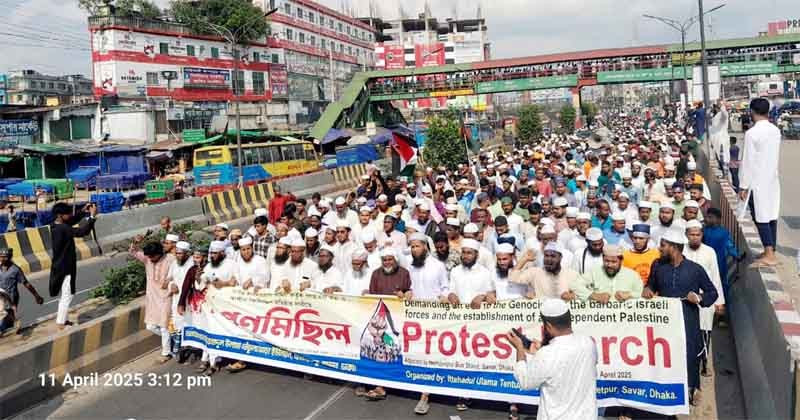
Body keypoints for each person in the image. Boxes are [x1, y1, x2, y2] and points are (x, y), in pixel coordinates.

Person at [643, 228, 718, 405]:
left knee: (690, 354)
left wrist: (699, 298)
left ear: (674, 247)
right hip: (664, 320)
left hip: (688, 320)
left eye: (663, 245)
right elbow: (650, 286)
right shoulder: (657, 265)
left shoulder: (695, 270)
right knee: (665, 353)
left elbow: (712, 293)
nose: (659, 249)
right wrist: (647, 290)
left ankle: (694, 387)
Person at [507, 298, 597, 419]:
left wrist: (520, 349)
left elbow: (525, 382)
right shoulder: (588, 343)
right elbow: (565, 358)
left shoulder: (546, 354)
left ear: (548, 326)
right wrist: (541, 350)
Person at [739, 97, 782, 268]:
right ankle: (771, 250)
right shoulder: (775, 130)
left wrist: (743, 185)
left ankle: (769, 254)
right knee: (771, 214)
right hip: (771, 178)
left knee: (761, 217)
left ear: (752, 112)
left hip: (757, 181)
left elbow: (748, 161)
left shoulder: (752, 133)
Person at [50, 202, 97, 330]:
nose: (70, 215)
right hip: (66, 266)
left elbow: (71, 220)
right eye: (67, 213)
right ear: (60, 215)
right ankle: (61, 323)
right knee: (68, 293)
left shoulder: (55, 225)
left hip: (59, 265)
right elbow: (83, 231)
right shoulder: (63, 229)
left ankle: (62, 320)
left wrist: (82, 211)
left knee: (65, 293)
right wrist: (92, 217)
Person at [130, 240, 176, 363]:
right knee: (150, 326)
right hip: (153, 298)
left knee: (164, 326)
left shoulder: (171, 259)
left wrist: (170, 280)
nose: (150, 258)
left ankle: (166, 353)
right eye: (148, 256)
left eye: (152, 256)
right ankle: (175, 340)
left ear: (160, 253)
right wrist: (136, 242)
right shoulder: (148, 259)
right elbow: (133, 251)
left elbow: (179, 271)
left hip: (167, 296)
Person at [571, 244, 643, 302]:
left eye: (614, 262)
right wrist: (594, 295)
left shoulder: (632, 275)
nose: (609, 265)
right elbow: (574, 285)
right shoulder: (594, 272)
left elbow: (641, 293)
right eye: (606, 261)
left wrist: (629, 294)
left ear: (621, 261)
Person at [511, 242, 578, 300]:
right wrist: (524, 259)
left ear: (560, 257)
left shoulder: (571, 274)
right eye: (546, 256)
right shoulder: (535, 272)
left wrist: (573, 296)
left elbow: (584, 295)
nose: (548, 259)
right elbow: (513, 278)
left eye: (553, 256)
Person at [0, 248, 43, 331]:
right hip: (1, 296)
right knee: (6, 318)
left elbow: (26, 284)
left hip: (11, 298)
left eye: (5, 257)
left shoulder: (15, 270)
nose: (2, 259)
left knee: (6, 317)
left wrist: (37, 296)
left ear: (10, 257)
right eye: (1, 256)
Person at [166, 241, 193, 363]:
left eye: (180, 254)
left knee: (190, 324)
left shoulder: (192, 264)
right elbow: (169, 279)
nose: (177, 256)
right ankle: (180, 350)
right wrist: (171, 285)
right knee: (178, 325)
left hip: (190, 300)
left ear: (187, 253)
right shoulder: (174, 264)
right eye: (176, 253)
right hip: (177, 299)